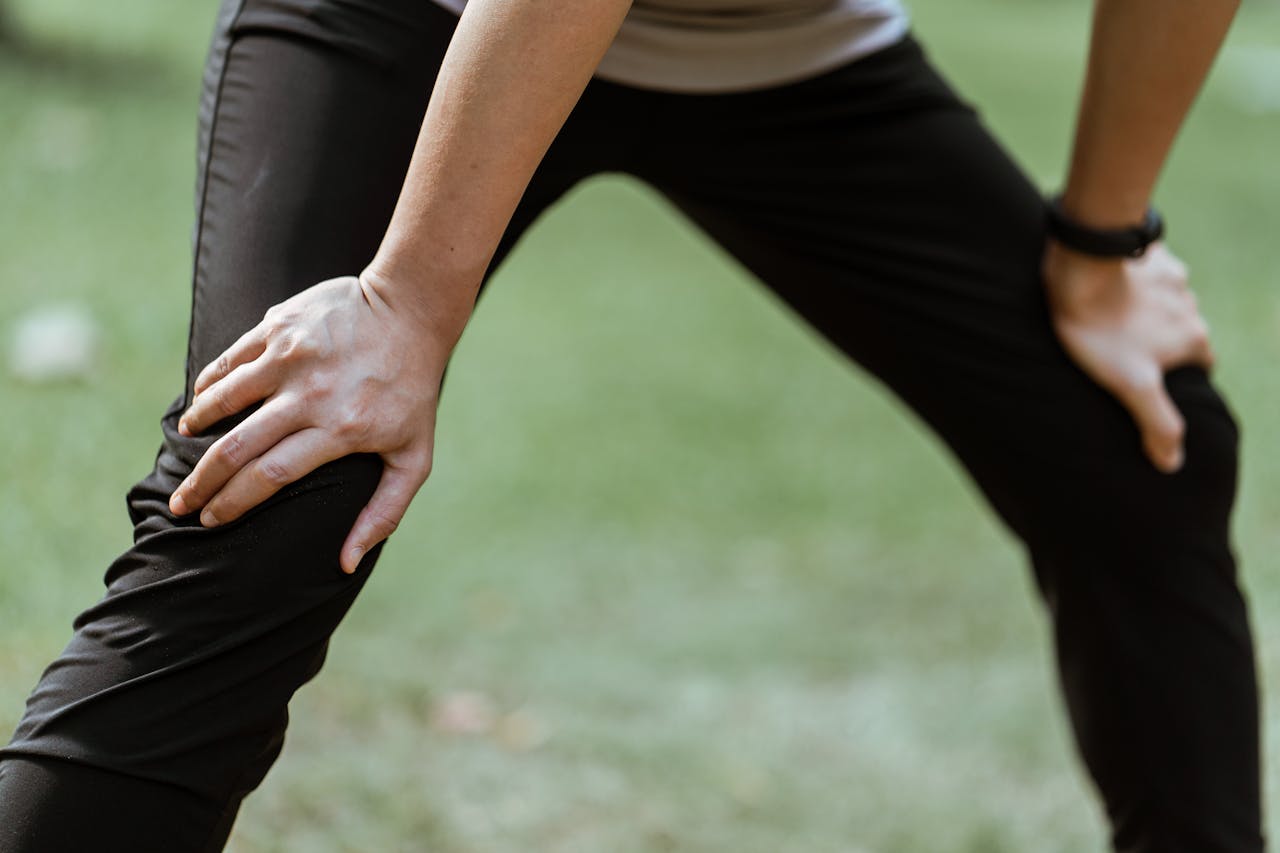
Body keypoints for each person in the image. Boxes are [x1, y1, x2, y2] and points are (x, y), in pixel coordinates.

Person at [0, 0, 1263, 850]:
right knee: (290, 478)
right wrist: (404, 299)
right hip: (426, 20)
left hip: (787, 55)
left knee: (1137, 443)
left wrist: (1099, 245)